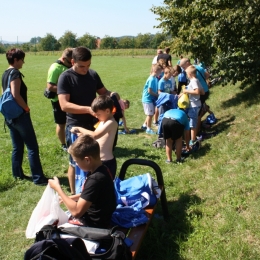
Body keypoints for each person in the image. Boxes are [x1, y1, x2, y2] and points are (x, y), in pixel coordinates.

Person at [57, 46, 112, 195]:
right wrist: (88, 109)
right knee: (75, 162)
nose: (85, 69)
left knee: (93, 160)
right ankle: (75, 194)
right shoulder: (65, 77)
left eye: (88, 65)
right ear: (73, 61)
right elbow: (64, 105)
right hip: (75, 126)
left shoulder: (93, 75)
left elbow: (104, 92)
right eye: (82, 66)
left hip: (94, 125)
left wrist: (114, 96)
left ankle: (89, 192)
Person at [1, 48, 48, 185]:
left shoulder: (5, 73)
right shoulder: (15, 73)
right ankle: (39, 178)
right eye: (22, 59)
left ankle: (17, 174)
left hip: (9, 116)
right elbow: (15, 95)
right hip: (20, 116)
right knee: (32, 146)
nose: (23, 62)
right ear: (16, 60)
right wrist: (26, 108)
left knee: (17, 147)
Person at [48, 134, 116, 228]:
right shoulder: (102, 169)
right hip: (103, 219)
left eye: (76, 161)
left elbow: (77, 212)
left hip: (94, 225)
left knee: (51, 227)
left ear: (87, 160)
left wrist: (58, 188)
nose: (76, 164)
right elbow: (90, 194)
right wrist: (68, 198)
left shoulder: (95, 179)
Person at [70, 95, 118, 178]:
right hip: (97, 161)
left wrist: (79, 128)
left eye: (98, 114)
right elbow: (95, 136)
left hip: (106, 162)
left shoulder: (111, 122)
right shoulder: (103, 121)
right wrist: (82, 135)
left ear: (107, 111)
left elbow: (95, 135)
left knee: (105, 188)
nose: (96, 116)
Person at [46, 48, 73, 152]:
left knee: (71, 122)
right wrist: (66, 90)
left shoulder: (69, 66)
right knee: (61, 124)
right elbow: (50, 86)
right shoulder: (55, 68)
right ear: (63, 59)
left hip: (71, 99)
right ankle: (63, 144)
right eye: (69, 62)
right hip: (58, 101)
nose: (71, 64)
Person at [179, 58, 210, 134]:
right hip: (205, 91)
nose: (183, 69)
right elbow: (207, 75)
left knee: (197, 113)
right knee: (199, 110)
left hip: (200, 93)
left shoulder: (190, 72)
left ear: (187, 63)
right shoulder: (198, 67)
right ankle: (198, 127)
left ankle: (197, 131)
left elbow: (194, 87)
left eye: (183, 67)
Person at [182, 65, 205, 145]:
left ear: (190, 74)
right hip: (197, 104)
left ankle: (192, 140)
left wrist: (187, 91)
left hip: (194, 105)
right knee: (193, 121)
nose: (186, 75)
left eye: (187, 74)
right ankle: (193, 138)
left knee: (192, 123)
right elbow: (203, 92)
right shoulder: (197, 80)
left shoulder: (194, 81)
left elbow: (197, 92)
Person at [141, 64, 162, 134]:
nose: (160, 74)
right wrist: (157, 95)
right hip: (147, 99)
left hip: (151, 99)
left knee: (151, 113)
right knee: (150, 114)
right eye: (160, 72)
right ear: (156, 71)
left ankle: (145, 125)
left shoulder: (155, 78)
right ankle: (148, 129)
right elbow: (149, 91)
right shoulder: (152, 79)